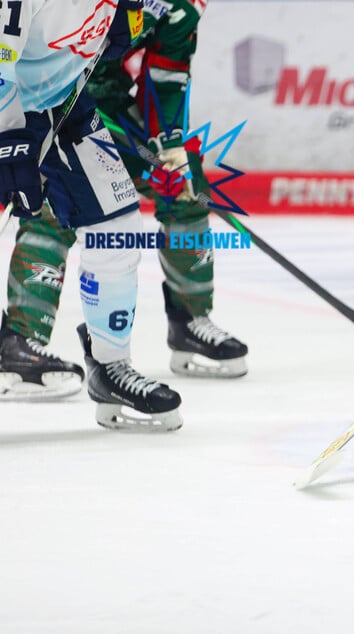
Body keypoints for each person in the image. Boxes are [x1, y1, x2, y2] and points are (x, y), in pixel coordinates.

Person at [0, 0, 248, 404]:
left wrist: (168, 139)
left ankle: (184, 323)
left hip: (92, 104)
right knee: (48, 209)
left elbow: (168, 75)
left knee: (176, 188)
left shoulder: (185, 6)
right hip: (41, 101)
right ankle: (22, 340)